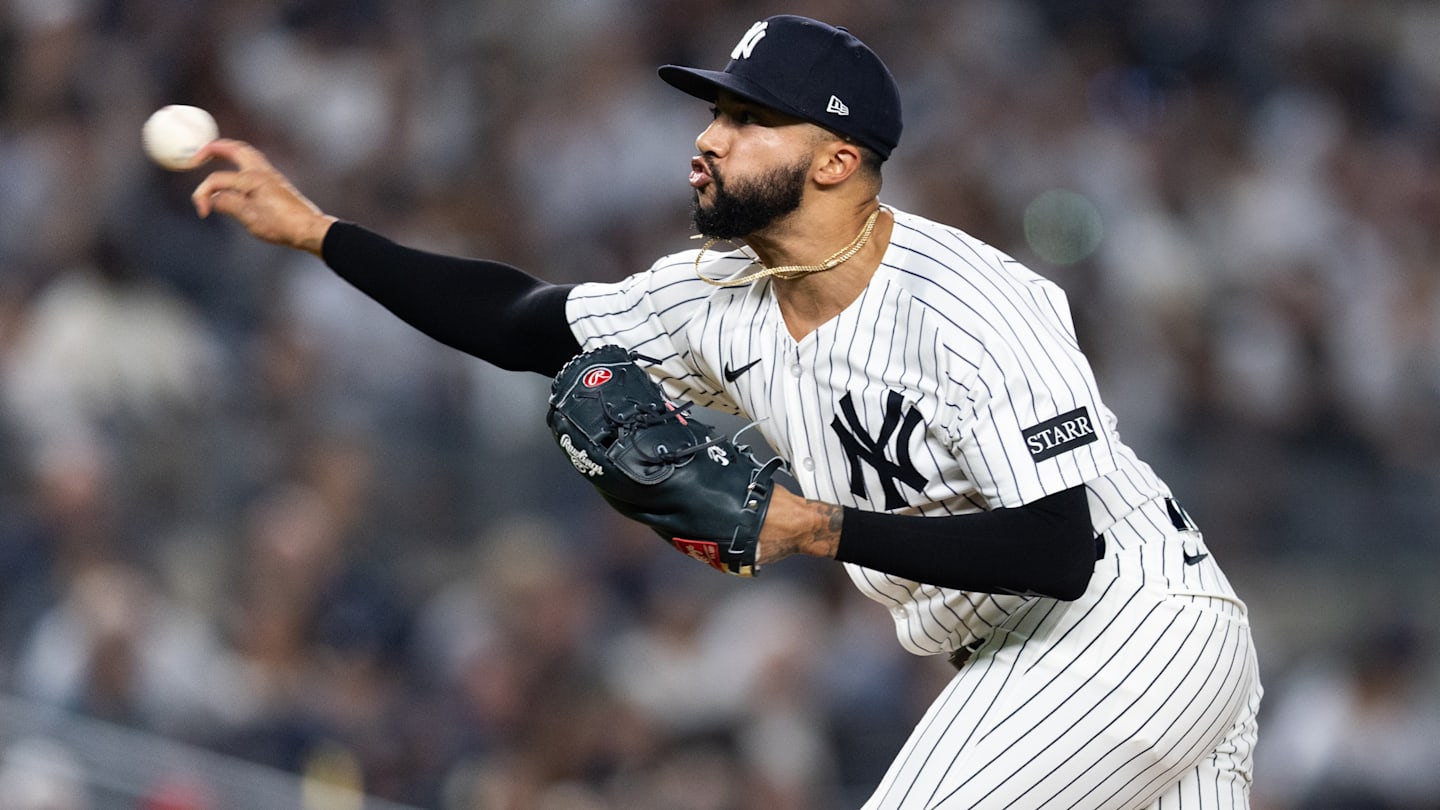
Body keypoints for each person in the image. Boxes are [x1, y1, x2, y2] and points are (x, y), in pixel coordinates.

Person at [190, 14, 1262, 809]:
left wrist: (817, 527)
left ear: (839, 160)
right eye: (714, 111)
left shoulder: (975, 304)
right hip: (1055, 653)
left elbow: (1058, 546)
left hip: (1126, 625)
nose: (709, 137)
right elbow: (523, 322)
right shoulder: (719, 297)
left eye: (748, 120)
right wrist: (322, 233)